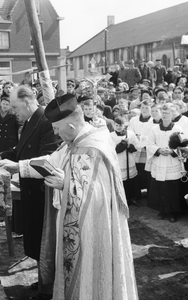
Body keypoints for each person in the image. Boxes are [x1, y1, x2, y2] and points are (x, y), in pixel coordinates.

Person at [9, 94, 138, 300]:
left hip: (95, 226)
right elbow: (51, 161)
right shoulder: (72, 141)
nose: (54, 133)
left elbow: (99, 194)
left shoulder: (95, 147)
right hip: (72, 222)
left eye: (57, 129)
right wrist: (18, 167)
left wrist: (65, 184)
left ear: (70, 127)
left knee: (91, 275)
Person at [0, 85, 60, 300]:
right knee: (35, 240)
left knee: (44, 241)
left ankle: (48, 289)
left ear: (28, 102)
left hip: (42, 193)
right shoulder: (29, 121)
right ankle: (43, 282)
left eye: (16, 106)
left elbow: (47, 159)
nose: (13, 111)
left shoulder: (46, 122)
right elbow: (20, 152)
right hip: (30, 190)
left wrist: (18, 166)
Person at [146, 103, 183, 222]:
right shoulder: (154, 129)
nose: (165, 115)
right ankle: (162, 211)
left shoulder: (178, 129)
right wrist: (158, 150)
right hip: (160, 161)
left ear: (173, 115)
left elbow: (183, 146)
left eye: (168, 113)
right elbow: (149, 144)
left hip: (172, 162)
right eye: (164, 113)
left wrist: (172, 151)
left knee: (172, 187)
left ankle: (172, 212)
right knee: (161, 187)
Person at [111, 116, 141, 206]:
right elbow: (113, 150)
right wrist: (123, 144)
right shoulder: (111, 136)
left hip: (129, 159)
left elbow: (137, 146)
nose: (119, 127)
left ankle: (131, 197)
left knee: (131, 179)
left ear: (125, 125)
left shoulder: (130, 134)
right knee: (121, 180)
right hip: (119, 161)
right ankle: (122, 199)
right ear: (114, 125)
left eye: (121, 125)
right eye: (117, 125)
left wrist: (129, 146)